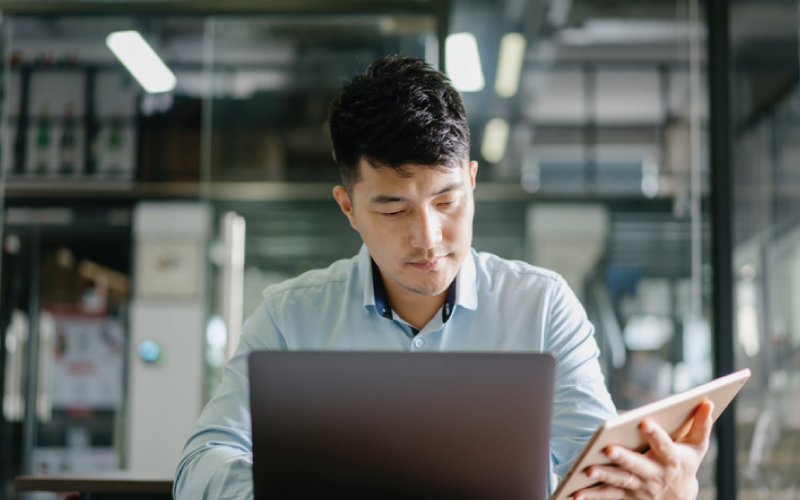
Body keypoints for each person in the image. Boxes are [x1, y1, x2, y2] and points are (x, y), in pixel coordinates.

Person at [174, 55, 713, 500]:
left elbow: (595, 473)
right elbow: (199, 464)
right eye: (393, 210)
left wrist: (660, 489)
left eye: (447, 200)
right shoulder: (291, 316)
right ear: (348, 208)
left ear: (473, 181)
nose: (428, 238)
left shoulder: (542, 307)